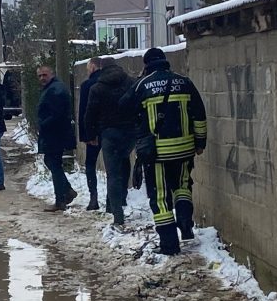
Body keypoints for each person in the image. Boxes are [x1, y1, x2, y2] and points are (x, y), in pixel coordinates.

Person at [121, 47, 207, 255]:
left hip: (156, 153)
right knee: (183, 186)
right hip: (184, 149)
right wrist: (200, 142)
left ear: (146, 65)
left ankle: (169, 244)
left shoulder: (142, 85)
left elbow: (124, 108)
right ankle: (185, 223)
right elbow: (199, 115)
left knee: (159, 197)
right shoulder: (184, 82)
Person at [84, 57, 138, 226]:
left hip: (109, 133)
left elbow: (90, 114)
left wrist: (91, 135)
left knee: (112, 174)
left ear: (101, 68)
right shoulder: (132, 83)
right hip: (130, 133)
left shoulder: (97, 88)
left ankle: (117, 213)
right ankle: (121, 199)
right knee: (124, 162)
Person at [36, 65, 78, 212]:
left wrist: (44, 124)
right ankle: (66, 192)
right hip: (55, 133)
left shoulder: (56, 89)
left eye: (44, 75)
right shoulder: (53, 88)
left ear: (52, 74)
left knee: (53, 163)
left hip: (55, 133)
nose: (42, 78)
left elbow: (57, 114)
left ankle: (61, 198)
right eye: (40, 76)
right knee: (52, 162)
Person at [78, 57, 103, 210]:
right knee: (114, 166)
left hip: (93, 131)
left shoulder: (88, 85)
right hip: (111, 130)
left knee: (90, 164)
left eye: (88, 68)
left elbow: (84, 112)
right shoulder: (112, 82)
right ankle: (115, 202)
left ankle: (93, 198)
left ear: (93, 67)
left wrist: (86, 135)